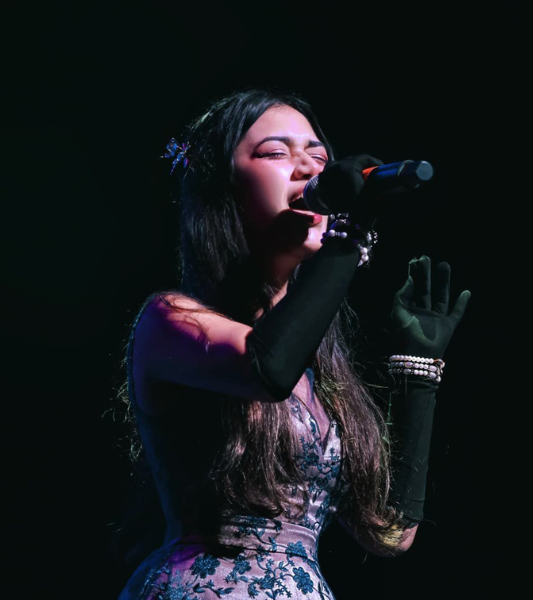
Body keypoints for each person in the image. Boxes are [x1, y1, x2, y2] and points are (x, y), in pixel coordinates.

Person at [113, 87, 470, 599]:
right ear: (224, 188)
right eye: (277, 153)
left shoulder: (322, 371)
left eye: (319, 157)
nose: (311, 171)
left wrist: (417, 371)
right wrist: (349, 232)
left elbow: (390, 532)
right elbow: (267, 370)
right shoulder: (170, 321)